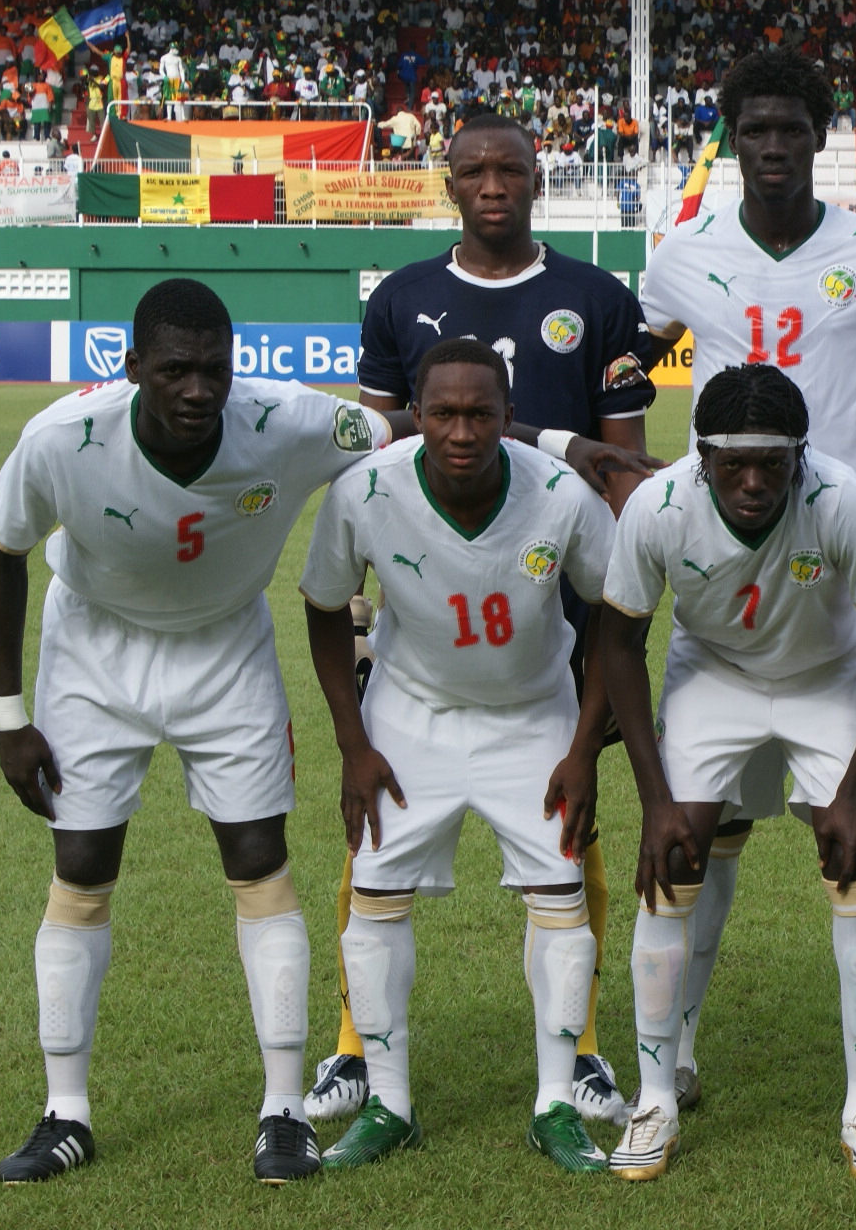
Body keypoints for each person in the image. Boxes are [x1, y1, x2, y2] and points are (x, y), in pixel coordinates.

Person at [0, 279, 397, 1186]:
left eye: (214, 368)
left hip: (225, 647)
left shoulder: (287, 420)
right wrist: (9, 716)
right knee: (81, 868)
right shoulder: (60, 438)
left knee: (259, 859)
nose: (198, 389)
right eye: (174, 370)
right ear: (133, 366)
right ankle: (66, 1112)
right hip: (92, 650)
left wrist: (562, 447)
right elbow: (4, 551)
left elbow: (425, 428)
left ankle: (284, 1111)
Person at [312, 111, 660, 1131]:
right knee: (375, 841)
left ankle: (579, 1053)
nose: (494, 185)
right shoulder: (401, 297)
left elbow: (621, 461)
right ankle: (354, 1050)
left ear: (539, 178)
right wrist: (546, 439)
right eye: (474, 170)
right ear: (450, 181)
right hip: (428, 580)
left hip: (560, 569)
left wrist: (608, 616)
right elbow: (380, 439)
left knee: (569, 832)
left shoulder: (598, 296)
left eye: (512, 168)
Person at [637, 48, 856, 1124]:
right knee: (705, 832)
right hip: (723, 570)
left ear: (820, 139)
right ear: (733, 139)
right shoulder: (682, 254)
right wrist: (625, 461)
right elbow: (630, 365)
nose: (773, 146)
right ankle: (671, 1053)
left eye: (792, 129)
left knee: (847, 834)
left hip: (836, 573)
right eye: (755, 129)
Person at [299, 339, 616, 1173]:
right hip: (409, 714)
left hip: (532, 714)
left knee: (561, 901)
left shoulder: (563, 496)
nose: (462, 431)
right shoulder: (365, 489)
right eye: (443, 413)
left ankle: (555, 1103)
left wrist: (585, 743)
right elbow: (324, 607)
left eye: (481, 413)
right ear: (417, 414)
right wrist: (353, 744)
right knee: (374, 902)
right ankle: (389, 1104)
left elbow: (619, 614)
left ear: (511, 417)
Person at [601, 365, 856, 1182]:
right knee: (675, 861)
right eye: (732, 464)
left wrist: (855, 788)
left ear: (800, 456)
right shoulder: (658, 507)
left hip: (828, 674)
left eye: (772, 464)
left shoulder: (839, 500)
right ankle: (657, 1094)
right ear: (701, 456)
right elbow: (618, 644)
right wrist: (654, 798)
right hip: (715, 673)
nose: (752, 483)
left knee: (853, 861)